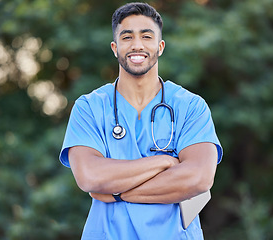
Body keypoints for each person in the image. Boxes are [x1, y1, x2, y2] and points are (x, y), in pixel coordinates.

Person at [59, 2, 223, 240]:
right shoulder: (89, 107)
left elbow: (199, 177)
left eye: (146, 36)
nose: (137, 45)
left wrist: (116, 193)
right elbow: (90, 177)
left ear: (160, 46)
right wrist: (165, 162)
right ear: (115, 48)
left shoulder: (190, 106)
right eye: (127, 37)